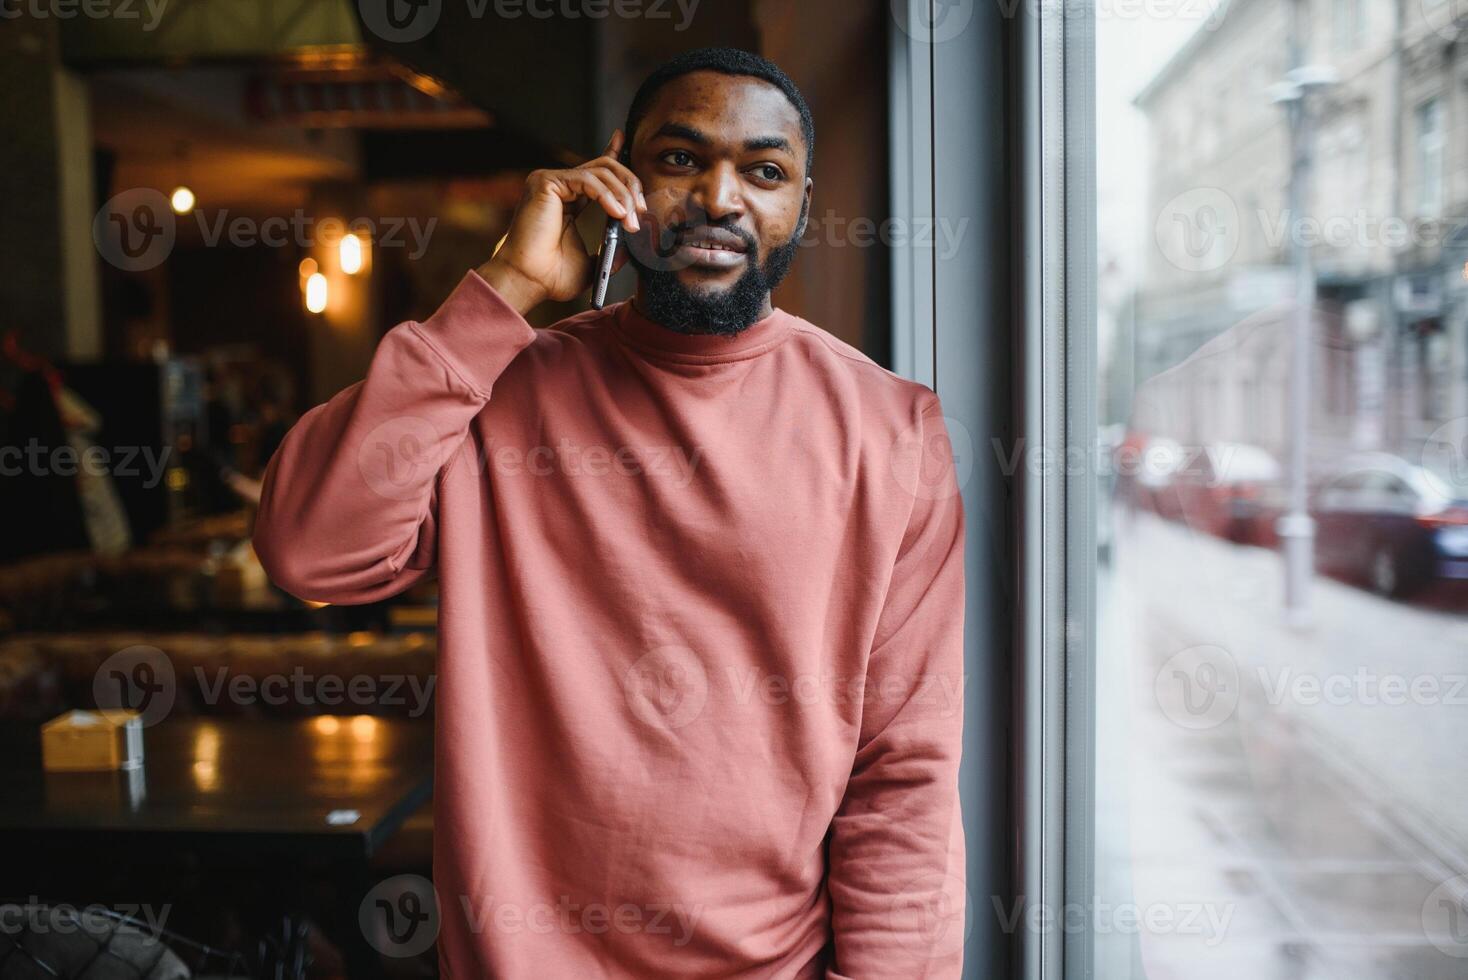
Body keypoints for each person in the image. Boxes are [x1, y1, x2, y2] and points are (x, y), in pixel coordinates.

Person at [254, 46, 967, 979]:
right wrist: (505, 289)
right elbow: (310, 549)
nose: (719, 198)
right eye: (681, 160)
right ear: (619, 173)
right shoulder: (497, 391)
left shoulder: (891, 429)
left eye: (762, 171)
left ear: (800, 203)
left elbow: (902, 777)